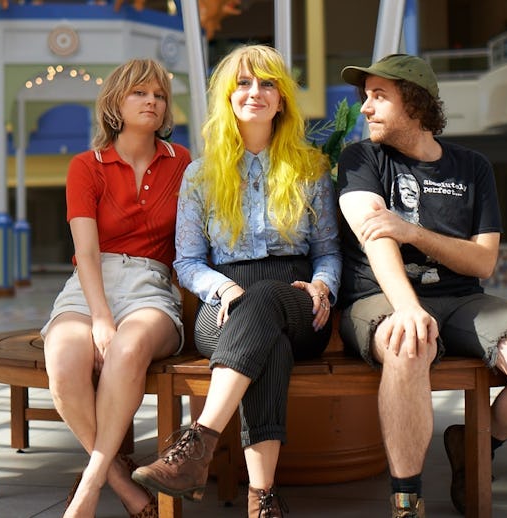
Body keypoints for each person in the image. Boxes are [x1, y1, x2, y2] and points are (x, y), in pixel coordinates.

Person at [335, 53, 507, 517]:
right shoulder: (361, 158)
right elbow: (376, 239)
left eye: (379, 96)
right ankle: (407, 501)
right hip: (378, 298)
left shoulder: (472, 167)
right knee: (409, 342)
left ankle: (473, 444)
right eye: (365, 96)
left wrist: (414, 232)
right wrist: (406, 308)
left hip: (463, 300)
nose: (366, 107)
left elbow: (483, 259)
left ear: (417, 104)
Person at [132, 44, 341, 518]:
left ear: (283, 99)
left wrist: (323, 286)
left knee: (268, 299)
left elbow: (328, 251)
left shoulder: (309, 168)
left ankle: (197, 444)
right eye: (244, 83)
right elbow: (186, 261)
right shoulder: (201, 175)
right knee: (270, 345)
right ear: (227, 95)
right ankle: (261, 500)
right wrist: (223, 288)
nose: (255, 92)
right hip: (222, 302)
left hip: (298, 301)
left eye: (268, 83)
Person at [41, 58, 191, 518]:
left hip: (151, 285)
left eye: (159, 95)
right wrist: (101, 317)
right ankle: (119, 479)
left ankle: (91, 482)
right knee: (65, 359)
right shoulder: (86, 166)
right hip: (92, 283)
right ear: (115, 103)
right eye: (139, 93)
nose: (151, 101)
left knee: (127, 350)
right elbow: (85, 252)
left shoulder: (182, 162)